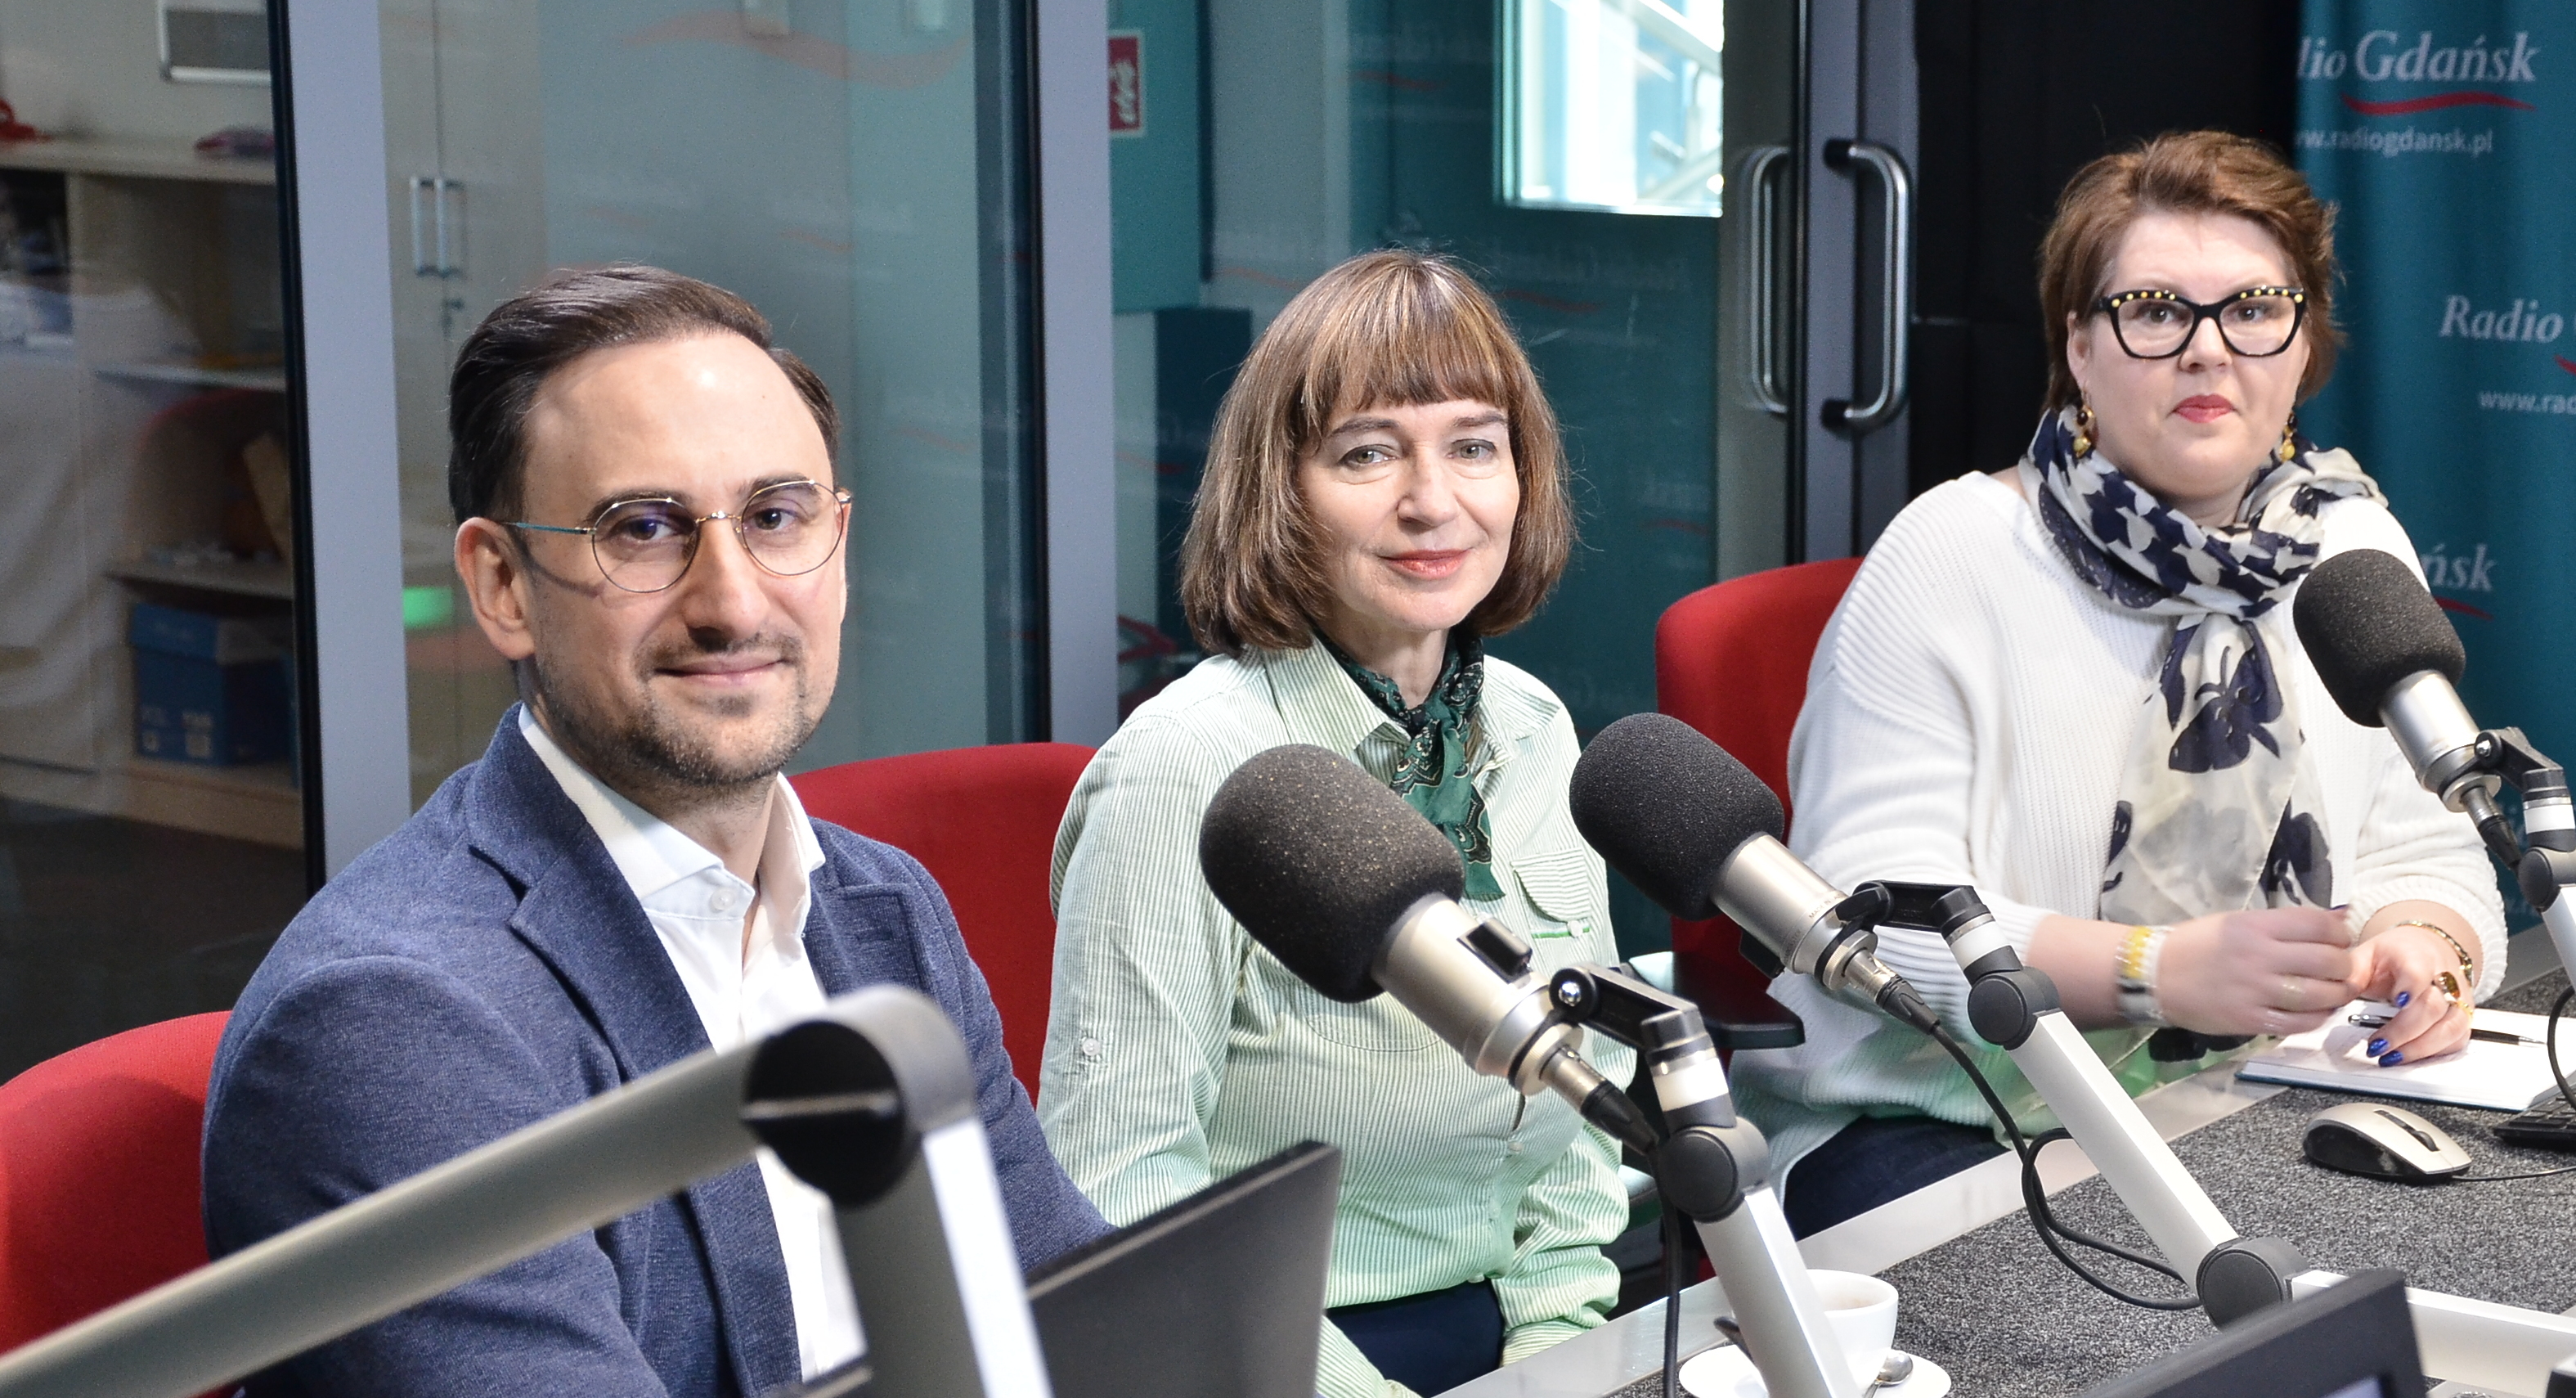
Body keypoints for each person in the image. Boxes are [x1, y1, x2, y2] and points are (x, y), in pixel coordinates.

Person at [202, 265, 1108, 1396]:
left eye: (775, 517)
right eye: (641, 529)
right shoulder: (394, 1023)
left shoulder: (884, 914)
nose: (731, 600)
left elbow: (1083, 1325)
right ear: (502, 587)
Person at [1733, 133, 2506, 1238]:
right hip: (1954, 1122)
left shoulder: (2351, 546)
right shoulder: (1951, 552)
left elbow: (2426, 847)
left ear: (2304, 349)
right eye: (2155, 311)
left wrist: (2424, 951)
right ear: (2080, 351)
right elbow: (1861, 920)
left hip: (2250, 1101)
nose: (2208, 351)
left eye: (2253, 310)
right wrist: (2153, 971)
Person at [1037, 249, 1627, 1398]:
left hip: (1514, 1328)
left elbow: (1580, 1097)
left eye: (1473, 444)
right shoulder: (1180, 773)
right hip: (1267, 1354)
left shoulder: (1536, 730)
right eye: (1367, 452)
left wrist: (1566, 1346)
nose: (1432, 500)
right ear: (1281, 492)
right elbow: (1121, 1190)